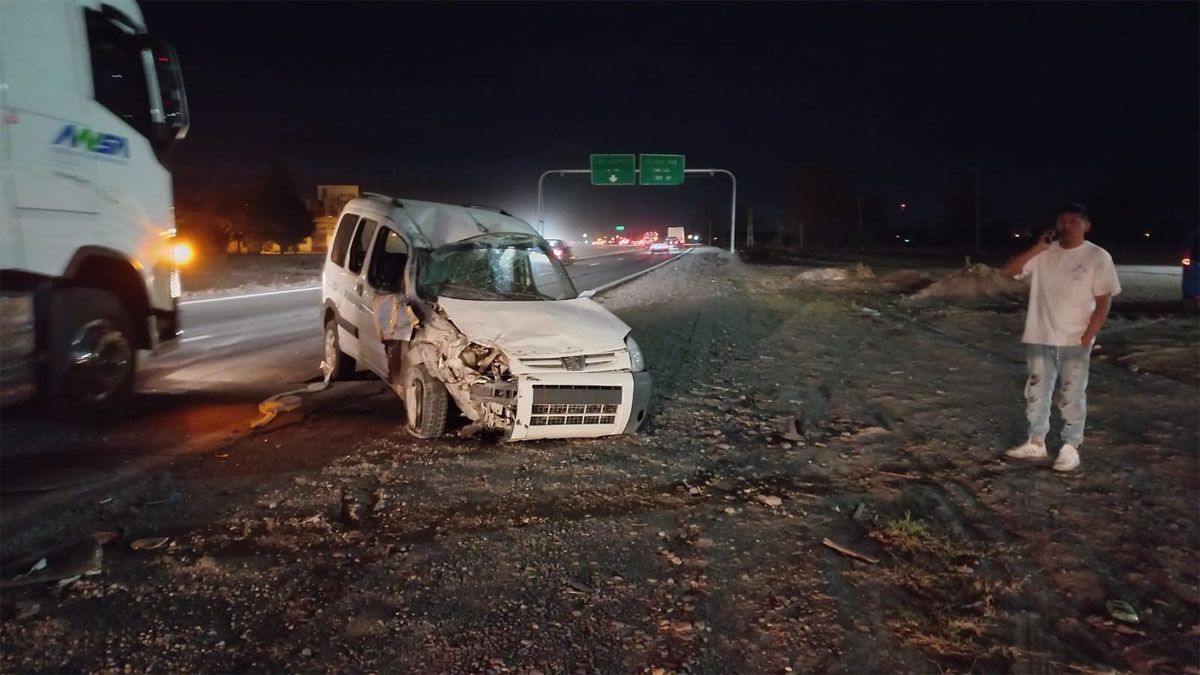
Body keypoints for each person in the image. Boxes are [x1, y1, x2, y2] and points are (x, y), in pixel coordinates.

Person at [1000, 203, 1121, 471]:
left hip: (1075, 338)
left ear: (1086, 225)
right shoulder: (1044, 253)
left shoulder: (1097, 257)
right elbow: (1007, 273)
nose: (1066, 226)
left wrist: (1090, 334)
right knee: (1037, 390)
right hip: (1040, 334)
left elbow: (1104, 300)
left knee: (1072, 393)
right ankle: (1036, 441)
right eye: (1062, 221)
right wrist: (1036, 248)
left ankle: (1070, 446)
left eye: (1073, 221)